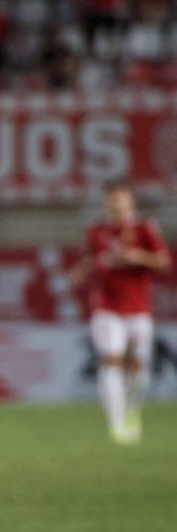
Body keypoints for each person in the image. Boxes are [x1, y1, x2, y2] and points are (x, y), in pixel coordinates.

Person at [71, 181, 171, 444]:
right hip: (107, 308)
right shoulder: (97, 232)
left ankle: (132, 410)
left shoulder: (144, 229)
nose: (116, 206)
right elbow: (86, 263)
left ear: (130, 203)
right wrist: (80, 273)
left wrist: (139, 257)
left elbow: (164, 263)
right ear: (106, 205)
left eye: (120, 201)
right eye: (111, 202)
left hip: (138, 310)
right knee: (111, 360)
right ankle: (116, 426)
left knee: (140, 372)